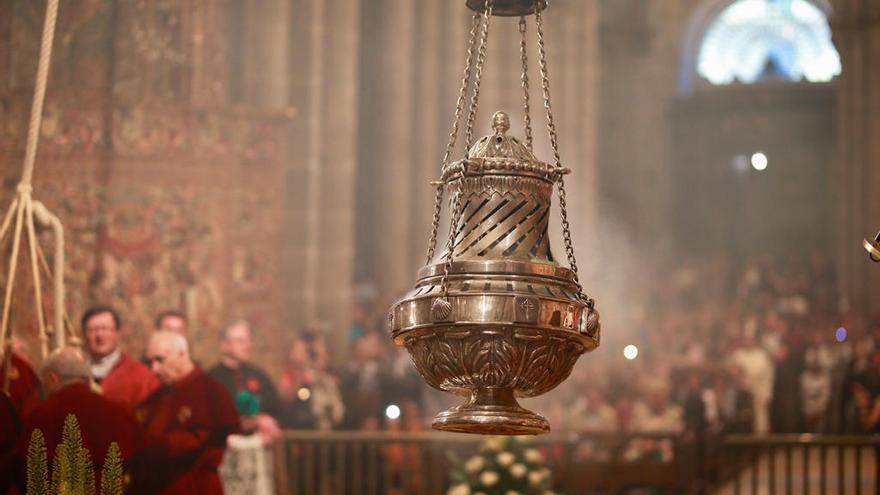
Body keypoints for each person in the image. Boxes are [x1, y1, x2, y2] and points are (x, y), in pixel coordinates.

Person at [13, 347, 141, 490]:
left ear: (53, 378)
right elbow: (138, 461)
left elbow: (25, 471)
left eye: (44, 382)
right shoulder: (118, 412)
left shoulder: (42, 415)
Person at [136, 331, 240, 494]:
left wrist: (153, 444)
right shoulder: (157, 396)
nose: (154, 369)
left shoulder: (211, 391)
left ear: (182, 354)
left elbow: (197, 439)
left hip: (195, 486)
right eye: (151, 362)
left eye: (160, 360)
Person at [208, 321, 282, 443]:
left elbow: (277, 410)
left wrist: (264, 420)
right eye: (240, 341)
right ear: (224, 345)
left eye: (248, 340)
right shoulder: (211, 379)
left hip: (258, 446)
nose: (247, 345)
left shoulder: (258, 375)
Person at [82, 305, 159, 410]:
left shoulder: (140, 375)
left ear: (118, 333)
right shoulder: (75, 372)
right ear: (84, 334)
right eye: (93, 330)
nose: (99, 335)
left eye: (105, 329)